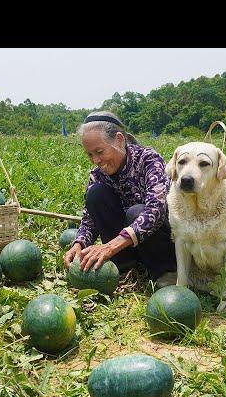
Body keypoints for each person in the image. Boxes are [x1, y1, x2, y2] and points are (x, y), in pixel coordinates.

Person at [63, 111, 177, 288]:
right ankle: (126, 267)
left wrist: (110, 246)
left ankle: (166, 271)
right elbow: (89, 220)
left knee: (136, 212)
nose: (95, 160)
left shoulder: (148, 160)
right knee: (96, 193)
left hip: (159, 244)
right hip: (123, 247)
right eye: (90, 155)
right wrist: (79, 243)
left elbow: (156, 210)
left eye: (99, 152)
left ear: (119, 139)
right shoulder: (98, 175)